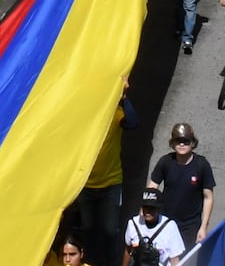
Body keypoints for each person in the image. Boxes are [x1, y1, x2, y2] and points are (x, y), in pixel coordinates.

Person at [74, 85, 137, 266]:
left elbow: (132, 122)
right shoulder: (83, 120)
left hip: (111, 183)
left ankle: (111, 262)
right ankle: (90, 261)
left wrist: (124, 98)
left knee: (110, 230)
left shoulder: (115, 113)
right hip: (86, 185)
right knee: (88, 228)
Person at [148, 123, 213, 254]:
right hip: (165, 222)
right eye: (178, 141)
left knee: (184, 260)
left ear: (193, 143)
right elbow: (151, 190)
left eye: (186, 141)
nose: (182, 145)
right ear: (172, 144)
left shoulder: (202, 165)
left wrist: (203, 227)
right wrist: (143, 219)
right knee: (159, 258)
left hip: (190, 226)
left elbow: (208, 197)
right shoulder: (165, 162)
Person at [122, 187, 185, 266]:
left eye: (152, 208)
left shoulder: (170, 227)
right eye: (145, 207)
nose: (148, 211)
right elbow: (128, 250)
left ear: (158, 208)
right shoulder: (133, 224)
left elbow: (175, 259)